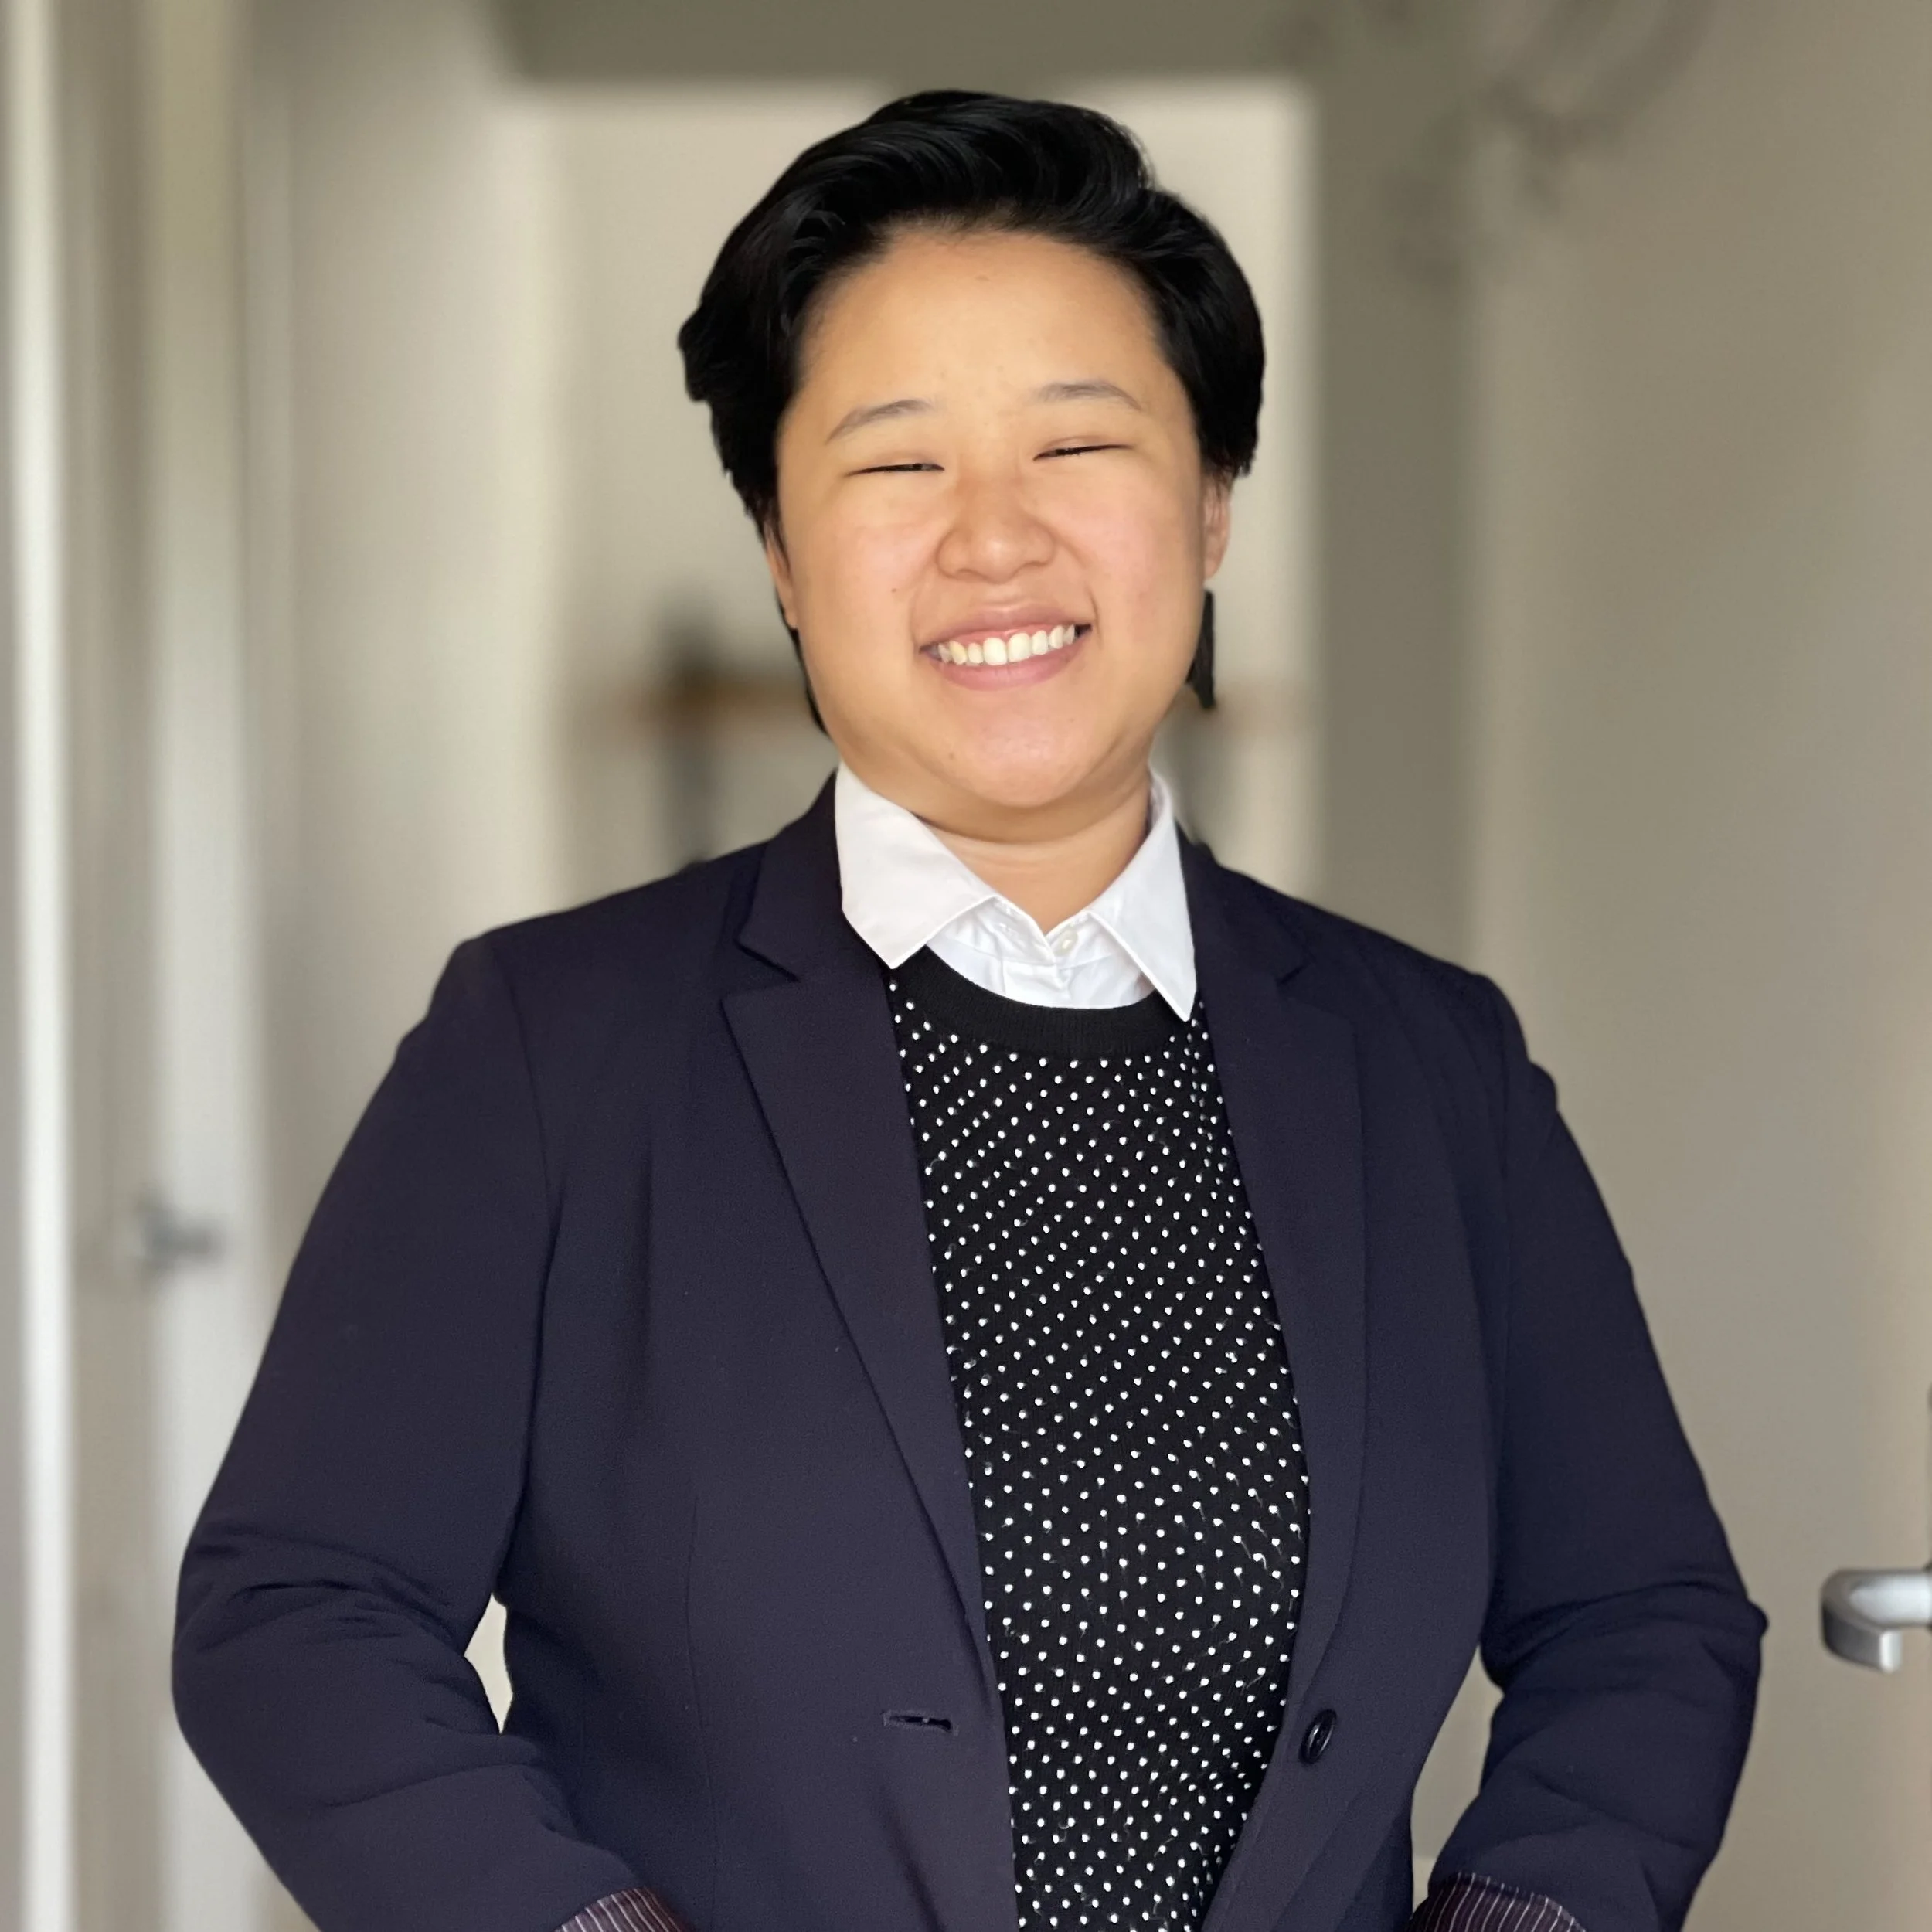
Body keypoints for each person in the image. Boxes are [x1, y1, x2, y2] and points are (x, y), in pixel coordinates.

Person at [173, 90, 1763, 1932]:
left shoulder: (1429, 1065)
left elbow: (1637, 1616)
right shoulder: (547, 1045)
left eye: (1076, 443)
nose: (992, 540)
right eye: (896, 462)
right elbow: (302, 1609)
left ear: (1210, 505)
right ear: (780, 549)